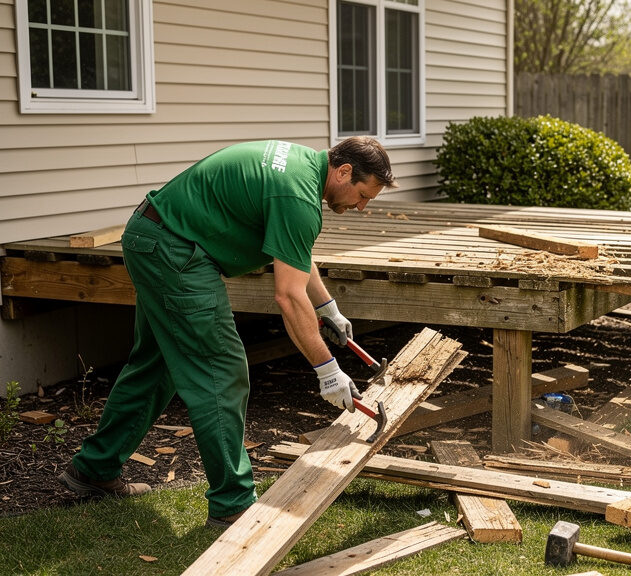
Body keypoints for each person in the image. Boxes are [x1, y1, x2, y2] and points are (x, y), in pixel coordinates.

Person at [57, 137, 396, 527]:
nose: (361, 206)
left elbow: (291, 252)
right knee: (221, 372)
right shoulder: (299, 198)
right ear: (344, 172)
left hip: (153, 235)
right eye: (362, 195)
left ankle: (93, 470)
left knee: (158, 364)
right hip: (174, 252)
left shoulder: (303, 169)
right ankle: (233, 502)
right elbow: (287, 296)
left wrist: (326, 307)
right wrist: (327, 371)